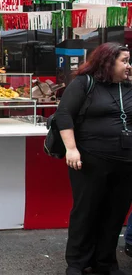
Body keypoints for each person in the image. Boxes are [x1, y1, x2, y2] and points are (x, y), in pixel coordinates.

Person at [54, 43, 132, 275]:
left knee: (116, 212)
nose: (129, 65)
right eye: (125, 61)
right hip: (90, 159)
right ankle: (77, 262)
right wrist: (71, 149)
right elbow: (63, 114)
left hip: (126, 162)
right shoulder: (85, 83)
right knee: (86, 210)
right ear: (108, 62)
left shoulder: (128, 86)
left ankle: (105, 261)